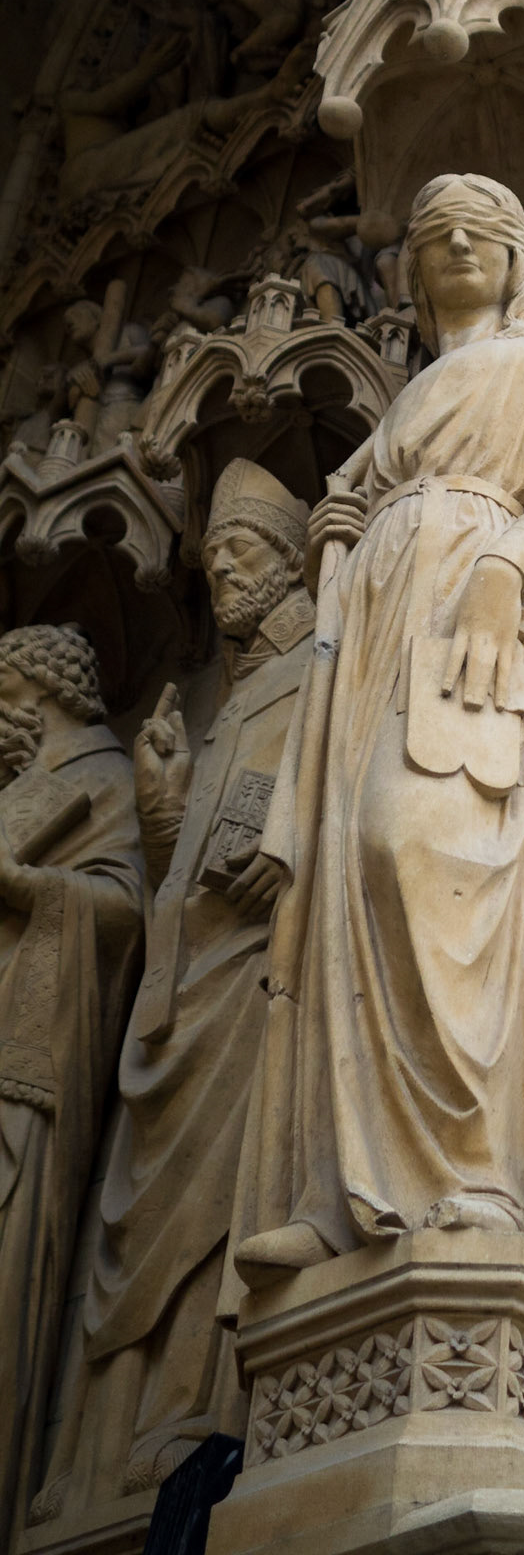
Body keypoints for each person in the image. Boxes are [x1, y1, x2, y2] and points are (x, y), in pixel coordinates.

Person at [230, 172, 524, 1287]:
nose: (453, 246)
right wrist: (337, 531)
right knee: (346, 880)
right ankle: (342, 1188)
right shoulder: (406, 402)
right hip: (373, 639)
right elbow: (345, 505)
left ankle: (477, 1168)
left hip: (473, 621)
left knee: (425, 847)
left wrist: (505, 562)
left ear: (515, 260)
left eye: (479, 233)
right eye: (434, 233)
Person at [30, 465, 315, 1528]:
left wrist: (284, 847)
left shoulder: (325, 662)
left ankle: (202, 1404)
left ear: (289, 554)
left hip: (249, 970)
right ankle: (105, 1447)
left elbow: (329, 801)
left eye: (240, 552)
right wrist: (163, 809)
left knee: (216, 1201)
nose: (222, 570)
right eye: (214, 557)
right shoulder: (239, 692)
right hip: (181, 975)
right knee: (139, 1208)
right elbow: (191, 855)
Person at [0, 626, 142, 1544]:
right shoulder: (17, 791)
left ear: (38, 695)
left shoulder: (104, 782)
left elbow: (125, 910)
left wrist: (22, 887)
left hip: (28, 1066)